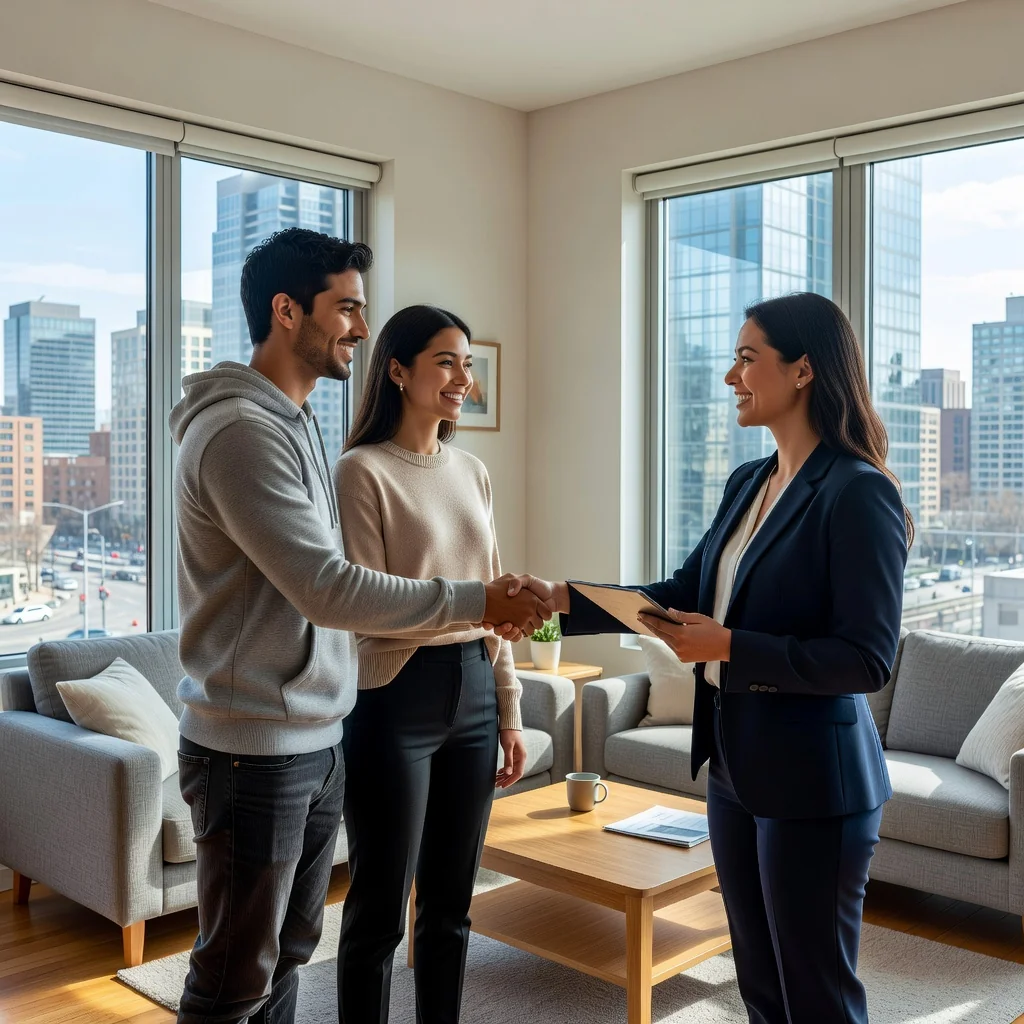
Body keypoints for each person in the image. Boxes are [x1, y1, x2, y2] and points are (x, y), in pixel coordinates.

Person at [169, 228, 550, 1024]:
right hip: (256, 746)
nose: (360, 328)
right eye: (346, 308)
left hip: (315, 734)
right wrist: (480, 601)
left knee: (285, 961)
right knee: (238, 977)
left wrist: (502, 684)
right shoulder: (245, 432)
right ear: (286, 311)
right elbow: (329, 588)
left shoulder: (296, 423)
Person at [513, 293, 910, 1024]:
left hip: (817, 789)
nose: (731, 376)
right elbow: (676, 595)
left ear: (802, 372)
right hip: (735, 772)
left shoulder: (858, 493)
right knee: (758, 982)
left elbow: (866, 660)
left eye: (747, 357)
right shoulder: (749, 484)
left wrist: (729, 646)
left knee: (816, 994)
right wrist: (562, 595)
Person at [332, 304, 525, 1024]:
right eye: (446, 361)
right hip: (393, 698)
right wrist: (474, 606)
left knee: (451, 905)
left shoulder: (472, 471)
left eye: (467, 364)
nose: (462, 379)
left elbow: (495, 599)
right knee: (380, 907)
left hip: (474, 688)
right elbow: (366, 605)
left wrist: (509, 711)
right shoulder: (360, 472)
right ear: (398, 370)